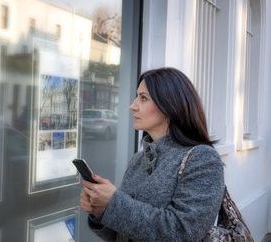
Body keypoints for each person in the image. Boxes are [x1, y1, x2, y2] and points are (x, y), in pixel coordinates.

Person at [80, 67, 225, 241]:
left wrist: (113, 203)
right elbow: (122, 233)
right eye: (137, 97)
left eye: (143, 98)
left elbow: (183, 233)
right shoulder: (138, 159)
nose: (132, 106)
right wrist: (100, 210)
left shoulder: (203, 159)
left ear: (170, 105)